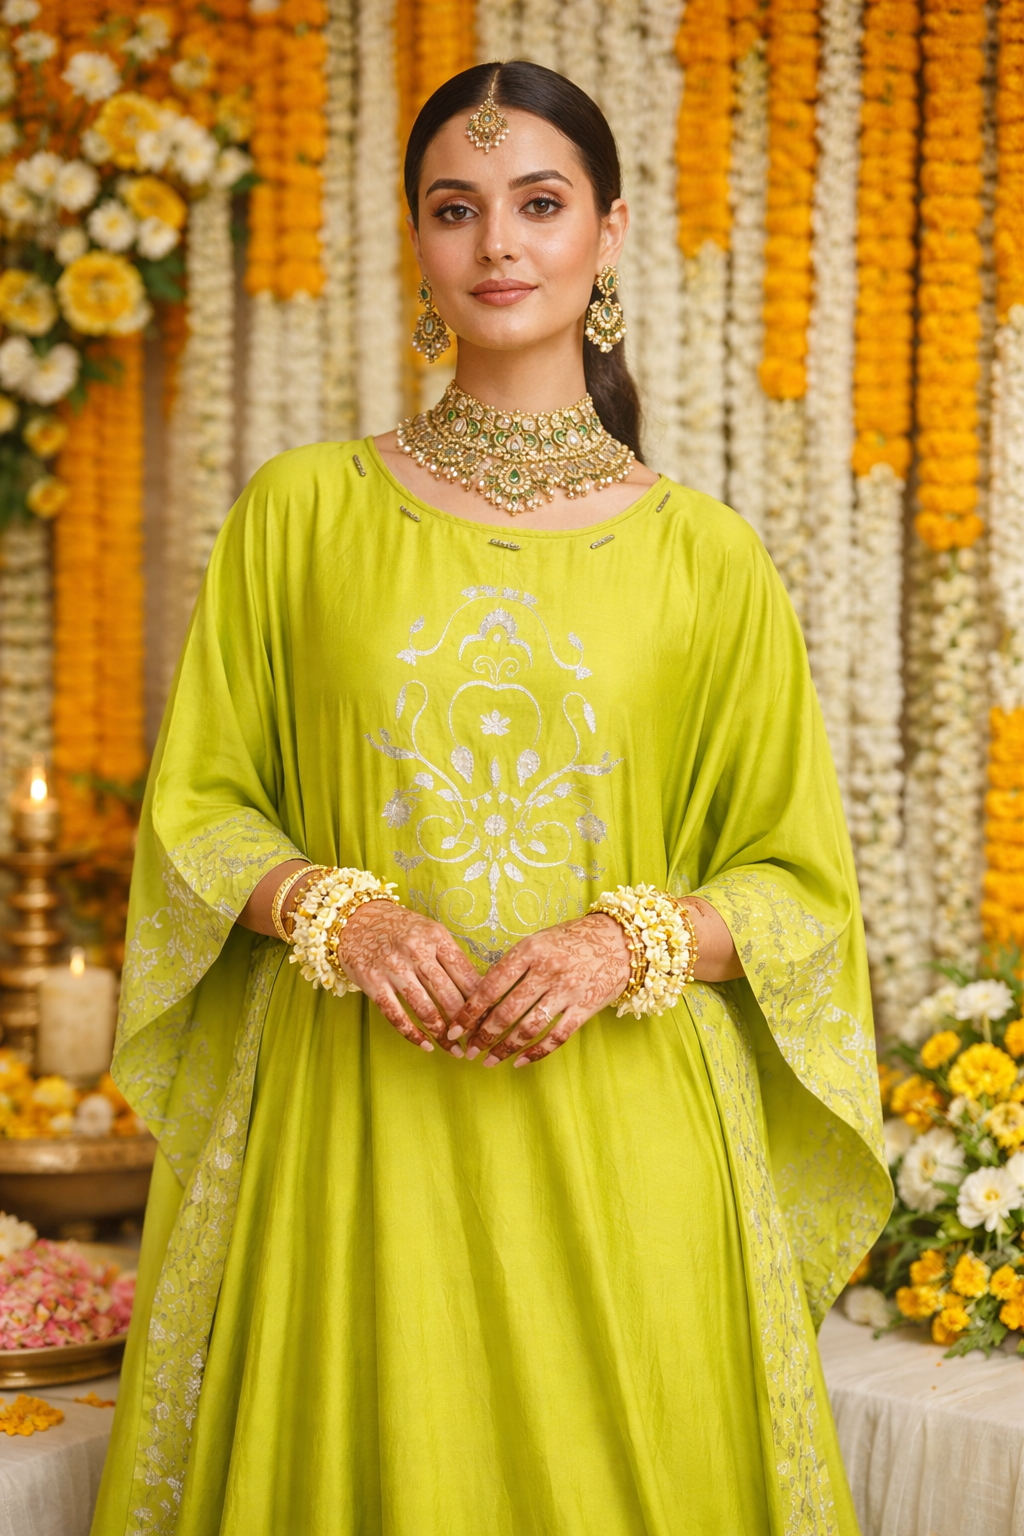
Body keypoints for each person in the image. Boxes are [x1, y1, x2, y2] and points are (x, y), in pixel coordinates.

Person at [92, 60, 889, 1536]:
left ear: (610, 230)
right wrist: (341, 911)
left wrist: (618, 946)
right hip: (357, 1128)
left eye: (539, 204)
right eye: (457, 210)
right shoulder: (303, 513)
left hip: (629, 1137)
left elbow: (796, 890)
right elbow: (199, 812)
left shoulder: (707, 557)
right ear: (416, 239)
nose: (499, 245)